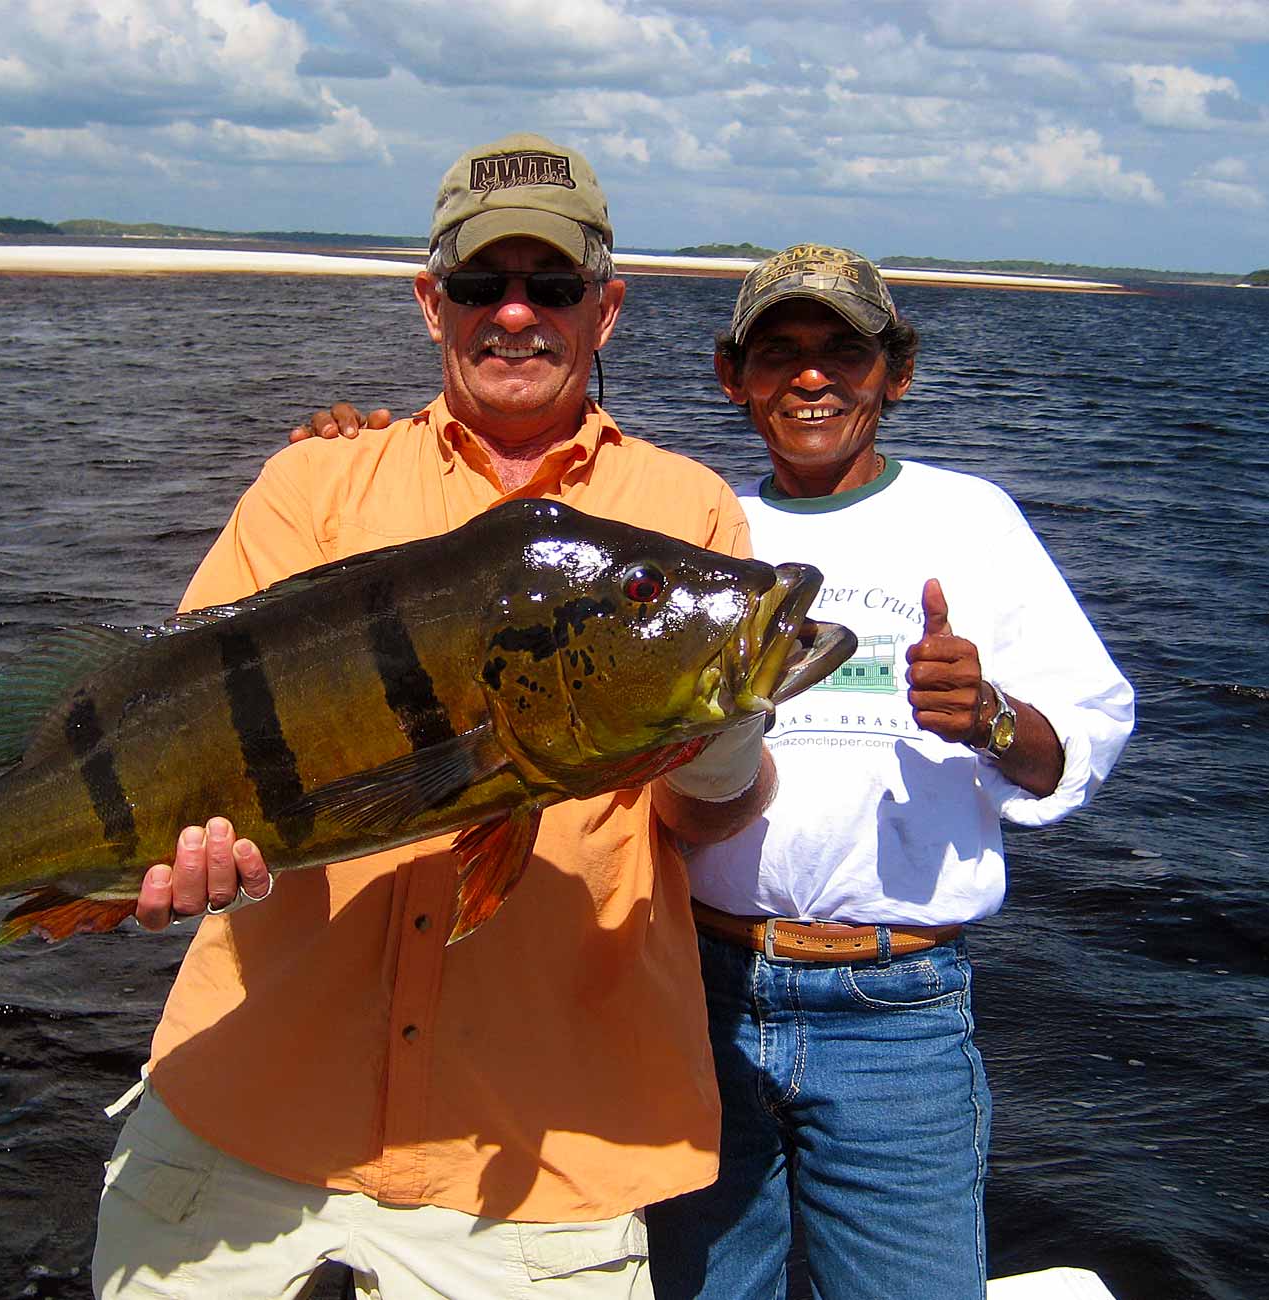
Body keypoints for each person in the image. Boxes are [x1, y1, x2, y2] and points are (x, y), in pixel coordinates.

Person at [293, 244, 1135, 1299]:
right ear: (732, 376)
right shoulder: (698, 525)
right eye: (779, 354)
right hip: (702, 995)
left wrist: (995, 718)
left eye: (844, 352)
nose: (812, 377)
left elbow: (1087, 738)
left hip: (897, 1013)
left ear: (899, 370)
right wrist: (366, 447)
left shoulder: (975, 520)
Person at [91, 134, 776, 1300]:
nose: (516, 313)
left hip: (542, 1161)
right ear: (430, 302)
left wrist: (727, 737)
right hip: (247, 1126)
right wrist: (168, 861)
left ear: (605, 311)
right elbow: (176, 729)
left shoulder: (686, 512)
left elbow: (704, 817)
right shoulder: (314, 482)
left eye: (552, 286)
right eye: (480, 285)